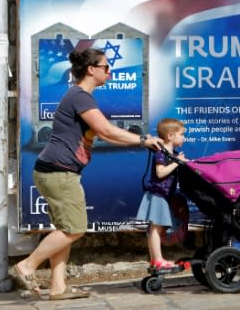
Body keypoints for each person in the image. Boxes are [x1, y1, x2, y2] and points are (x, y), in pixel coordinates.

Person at [13, 48, 162, 300]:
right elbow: (106, 130)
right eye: (106, 67)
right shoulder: (80, 96)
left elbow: (103, 134)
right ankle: (27, 265)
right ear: (91, 70)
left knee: (64, 228)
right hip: (59, 171)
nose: (110, 72)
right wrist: (143, 139)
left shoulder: (79, 96)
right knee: (75, 228)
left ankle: (58, 287)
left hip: (57, 171)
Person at [136, 117, 187, 270]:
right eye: (182, 134)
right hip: (157, 195)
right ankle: (157, 260)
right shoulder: (161, 153)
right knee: (155, 228)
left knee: (156, 228)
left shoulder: (173, 153)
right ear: (170, 136)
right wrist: (176, 162)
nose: (184, 137)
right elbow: (160, 172)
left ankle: (155, 260)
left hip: (163, 195)